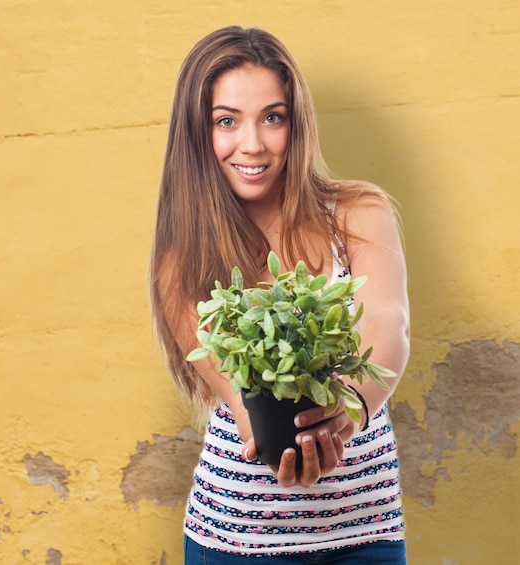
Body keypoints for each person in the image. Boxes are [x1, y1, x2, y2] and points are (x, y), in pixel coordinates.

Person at [149, 26, 410, 564]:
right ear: (198, 132)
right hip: (236, 542)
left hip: (367, 536)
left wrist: (352, 406)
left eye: (273, 116)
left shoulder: (359, 212)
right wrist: (285, 448)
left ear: (297, 122)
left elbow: (388, 322)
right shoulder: (183, 259)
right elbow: (246, 408)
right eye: (227, 121)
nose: (253, 144)